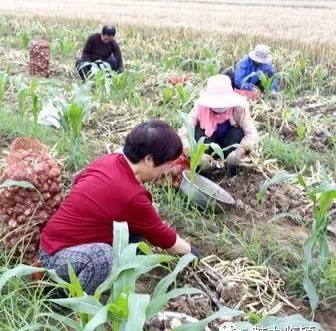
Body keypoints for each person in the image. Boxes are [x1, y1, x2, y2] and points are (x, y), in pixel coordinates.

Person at [39, 120, 200, 295]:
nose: (166, 169)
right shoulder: (131, 195)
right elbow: (164, 238)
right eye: (166, 164)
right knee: (102, 257)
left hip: (55, 241)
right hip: (57, 257)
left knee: (145, 217)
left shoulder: (110, 160)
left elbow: (79, 182)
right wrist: (192, 252)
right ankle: (64, 296)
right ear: (149, 159)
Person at [180, 74, 258, 173]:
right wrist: (196, 154)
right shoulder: (200, 108)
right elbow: (183, 134)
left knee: (237, 133)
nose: (220, 107)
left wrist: (239, 152)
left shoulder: (239, 108)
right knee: (198, 132)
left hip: (228, 146)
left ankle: (230, 171)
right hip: (208, 146)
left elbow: (252, 134)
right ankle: (203, 170)